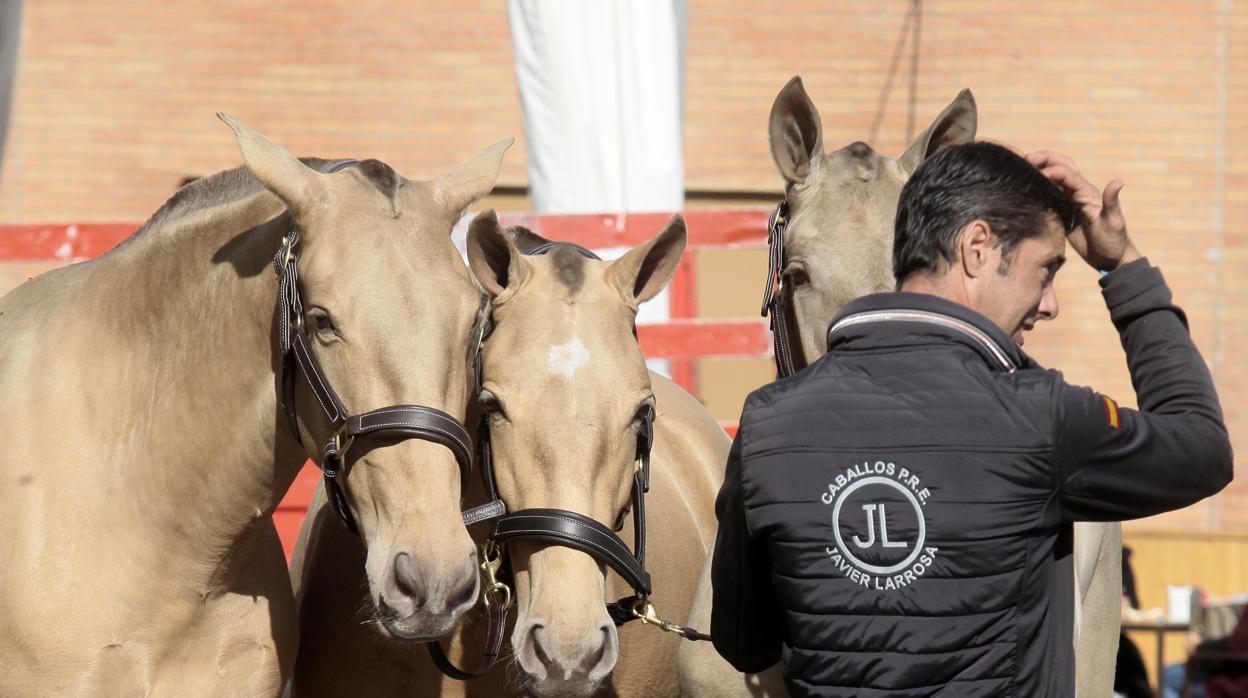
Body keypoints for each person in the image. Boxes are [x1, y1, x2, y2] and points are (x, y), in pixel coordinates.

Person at [710, 141, 1233, 697]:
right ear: (977, 248)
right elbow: (1201, 448)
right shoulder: (1041, 416)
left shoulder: (766, 424)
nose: (1050, 303)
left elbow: (745, 643)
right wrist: (1120, 266)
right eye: (1046, 270)